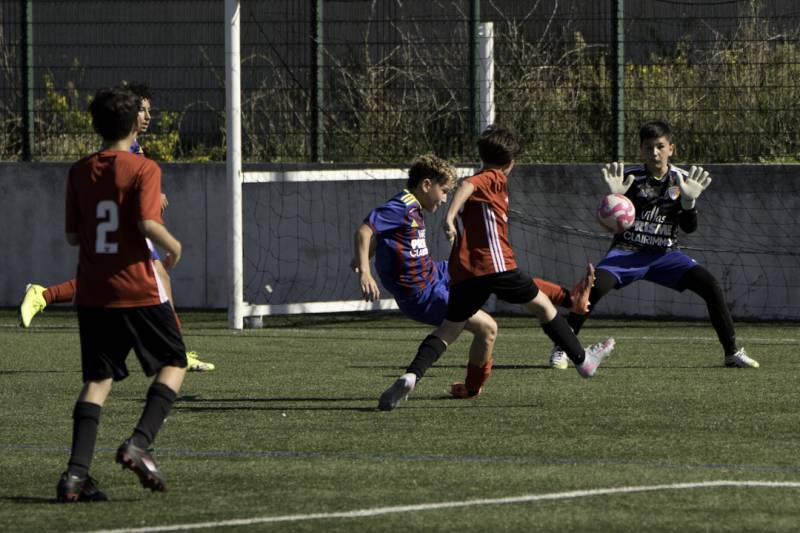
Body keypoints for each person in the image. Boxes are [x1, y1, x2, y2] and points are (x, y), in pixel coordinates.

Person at [377, 127, 615, 411]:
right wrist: (449, 218)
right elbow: (468, 185)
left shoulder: (489, 183)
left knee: (449, 330)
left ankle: (412, 376)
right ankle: (582, 361)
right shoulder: (493, 177)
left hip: (468, 274)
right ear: (511, 162)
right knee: (543, 309)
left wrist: (454, 217)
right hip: (496, 265)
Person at [18, 83, 214, 372]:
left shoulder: (133, 148)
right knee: (146, 279)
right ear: (128, 115)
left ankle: (44, 295)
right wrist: (151, 203)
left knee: (144, 278)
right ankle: (176, 353)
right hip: (128, 228)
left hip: (121, 229)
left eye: (149, 111)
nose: (147, 116)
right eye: (141, 110)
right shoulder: (126, 149)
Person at [56, 87, 187, 502]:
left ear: (94, 124)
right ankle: (140, 443)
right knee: (175, 362)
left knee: (97, 380)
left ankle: (75, 476)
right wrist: (175, 246)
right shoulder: (142, 167)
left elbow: (74, 235)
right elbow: (149, 224)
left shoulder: (78, 171)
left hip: (94, 291)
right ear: (134, 125)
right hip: (137, 286)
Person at [549, 120, 759, 369]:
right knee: (592, 288)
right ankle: (563, 347)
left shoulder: (682, 181)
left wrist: (689, 203)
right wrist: (615, 199)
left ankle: (731, 353)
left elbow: (689, 228)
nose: (655, 152)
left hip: (666, 255)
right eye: (648, 147)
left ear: (672, 148)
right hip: (626, 251)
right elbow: (610, 224)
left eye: (660, 146)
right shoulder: (630, 179)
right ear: (641, 150)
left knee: (711, 286)